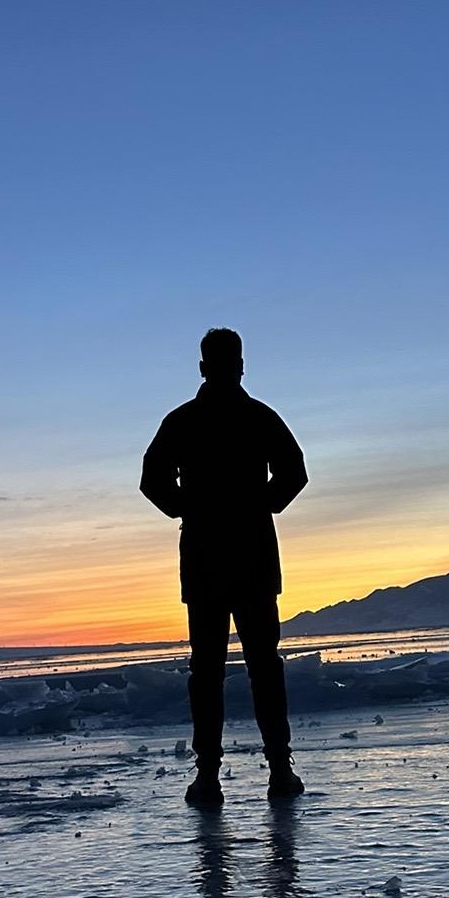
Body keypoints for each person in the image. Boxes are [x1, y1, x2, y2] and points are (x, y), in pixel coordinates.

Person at [141, 328, 308, 805]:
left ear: (203, 367)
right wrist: (259, 505)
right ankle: (273, 770)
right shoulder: (256, 417)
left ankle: (214, 776)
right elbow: (294, 472)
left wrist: (188, 508)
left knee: (213, 669)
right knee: (256, 666)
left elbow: (152, 480)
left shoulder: (186, 420)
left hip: (212, 556)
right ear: (240, 366)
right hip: (242, 555)